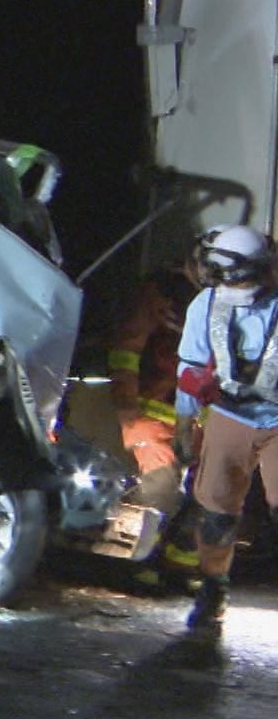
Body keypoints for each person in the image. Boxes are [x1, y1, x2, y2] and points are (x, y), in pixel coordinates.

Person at [174, 224, 278, 634]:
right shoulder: (207, 305)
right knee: (216, 511)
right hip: (232, 415)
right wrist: (184, 424)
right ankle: (214, 587)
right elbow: (191, 367)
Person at [107, 263, 201, 585]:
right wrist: (127, 407)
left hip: (197, 419)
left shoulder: (224, 303)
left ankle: (179, 565)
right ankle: (138, 566)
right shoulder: (161, 294)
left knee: (206, 494)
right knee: (159, 490)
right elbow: (127, 351)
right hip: (153, 411)